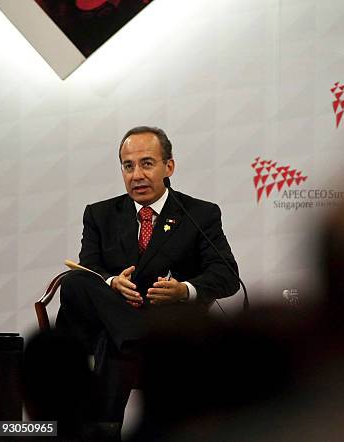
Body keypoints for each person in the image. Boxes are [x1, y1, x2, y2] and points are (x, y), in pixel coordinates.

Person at [55, 126, 240, 423]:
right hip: (143, 332)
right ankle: (137, 336)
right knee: (75, 282)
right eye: (128, 166)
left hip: (164, 324)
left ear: (169, 166)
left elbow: (227, 275)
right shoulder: (99, 214)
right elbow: (89, 269)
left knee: (111, 339)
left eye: (147, 163)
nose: (137, 175)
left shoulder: (199, 213)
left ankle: (104, 428)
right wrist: (113, 282)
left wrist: (184, 290)